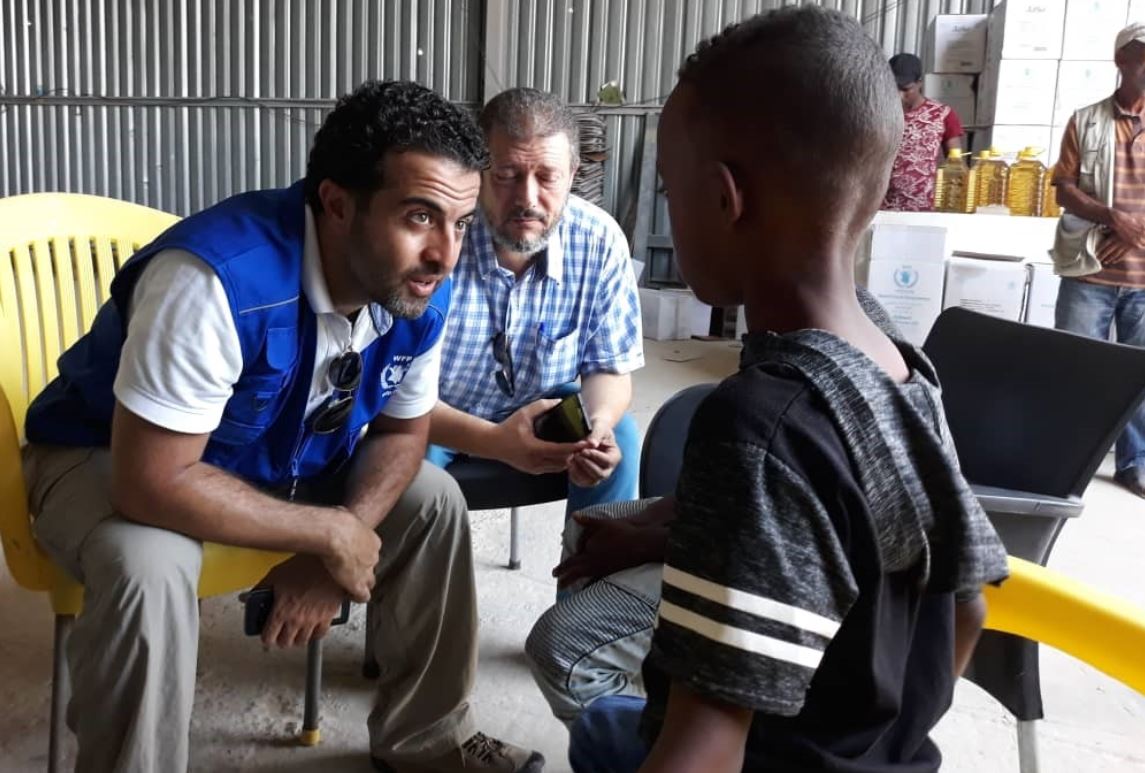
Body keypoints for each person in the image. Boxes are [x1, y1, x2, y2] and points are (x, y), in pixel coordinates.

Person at [535, 8, 1010, 771]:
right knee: (617, 535)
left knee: (594, 708)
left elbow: (704, 750)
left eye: (669, 189)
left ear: (724, 200)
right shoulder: (897, 361)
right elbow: (968, 603)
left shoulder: (757, 424)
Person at [21, 81, 544, 773]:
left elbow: (400, 433)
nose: (446, 255)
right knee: (148, 562)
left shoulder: (416, 285)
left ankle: (429, 737)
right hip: (105, 455)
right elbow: (150, 481)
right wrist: (328, 532)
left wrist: (339, 540)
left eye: (461, 222)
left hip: (272, 460)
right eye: (419, 216)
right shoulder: (211, 281)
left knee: (432, 501)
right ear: (335, 202)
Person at [429, 87, 643, 517]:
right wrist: (495, 442)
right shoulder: (437, 237)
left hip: (546, 407)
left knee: (617, 436)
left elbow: (610, 369)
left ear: (573, 173)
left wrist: (596, 427)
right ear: (478, 171)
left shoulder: (599, 241)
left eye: (547, 177)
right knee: (399, 469)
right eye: (507, 175)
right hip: (437, 415)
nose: (527, 198)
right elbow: (394, 394)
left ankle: (591, 584)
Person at [1050, 22, 1145, 499]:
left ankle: (1136, 463)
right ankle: (1066, 460)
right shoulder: (1086, 121)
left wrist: (1132, 232)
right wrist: (1111, 217)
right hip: (1090, 269)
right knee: (1076, 368)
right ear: (1122, 61)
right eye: (1144, 55)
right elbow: (1063, 189)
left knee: (1140, 375)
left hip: (1144, 276)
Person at [882, 53, 965, 211]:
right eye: (894, 89)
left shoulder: (942, 114)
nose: (899, 96)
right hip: (880, 208)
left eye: (906, 89)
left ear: (919, 83)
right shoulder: (879, 115)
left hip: (924, 208)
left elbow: (955, 164)